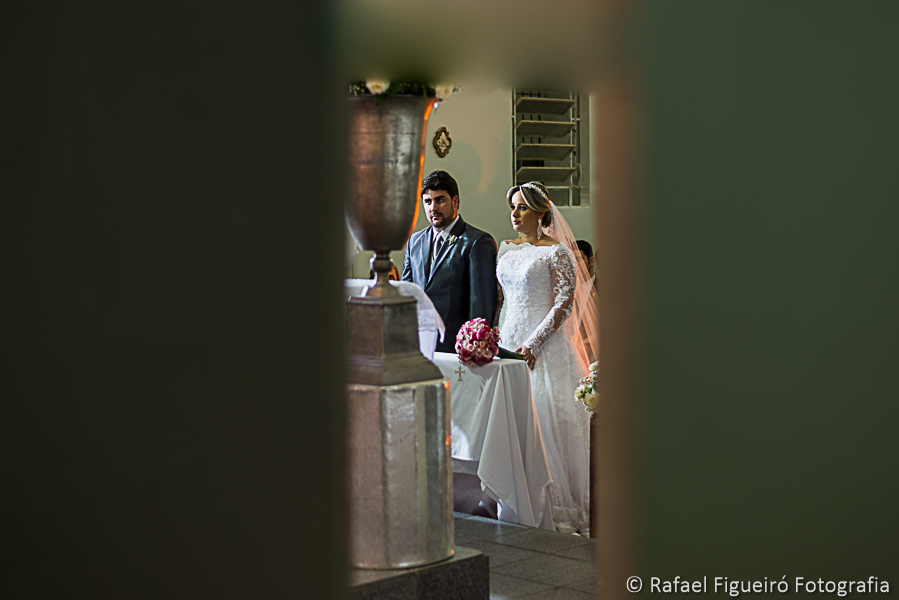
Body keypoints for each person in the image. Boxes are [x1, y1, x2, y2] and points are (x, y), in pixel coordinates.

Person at [496, 181, 600, 535]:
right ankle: (515, 495)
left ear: (541, 212)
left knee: (548, 421)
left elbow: (563, 304)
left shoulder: (557, 253)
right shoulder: (506, 250)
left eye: (522, 206)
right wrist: (495, 337)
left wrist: (534, 343)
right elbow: (505, 300)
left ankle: (556, 506)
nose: (515, 213)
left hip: (543, 346)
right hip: (509, 339)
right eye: (512, 206)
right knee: (513, 419)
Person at [402, 170, 498, 353]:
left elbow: (481, 302)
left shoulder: (477, 241)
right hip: (418, 343)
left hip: (456, 344)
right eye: (428, 202)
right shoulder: (414, 241)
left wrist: (474, 345)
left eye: (440, 200)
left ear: (455, 202)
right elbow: (407, 292)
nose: (433, 208)